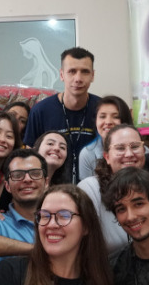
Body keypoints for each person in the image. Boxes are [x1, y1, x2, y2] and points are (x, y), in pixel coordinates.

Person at [78, 124, 149, 255]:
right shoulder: (90, 189)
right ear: (107, 157)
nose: (129, 154)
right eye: (120, 148)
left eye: (135, 147)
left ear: (144, 151)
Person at [23, 47, 100, 183]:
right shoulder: (41, 110)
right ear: (61, 74)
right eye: (72, 71)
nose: (78, 78)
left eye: (85, 72)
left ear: (93, 75)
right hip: (52, 189)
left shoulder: (102, 110)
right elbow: (30, 157)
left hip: (96, 188)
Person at [78, 95, 133, 181]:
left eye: (116, 117)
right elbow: (87, 191)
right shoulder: (87, 154)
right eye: (102, 116)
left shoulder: (140, 150)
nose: (108, 122)